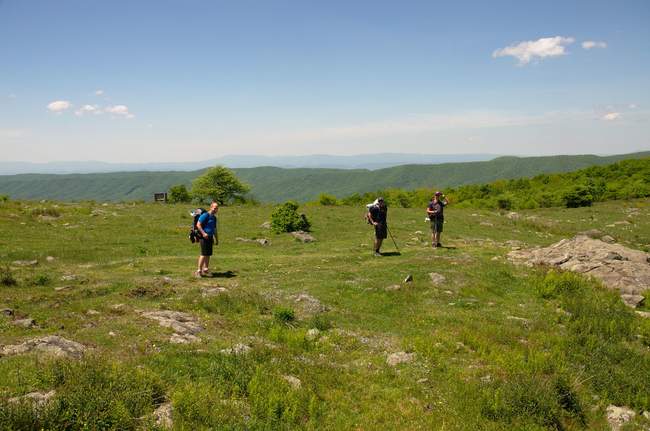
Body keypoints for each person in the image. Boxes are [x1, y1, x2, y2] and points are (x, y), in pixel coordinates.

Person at [195, 201, 219, 276]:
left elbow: (214, 229)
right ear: (211, 207)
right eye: (215, 208)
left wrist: (217, 239)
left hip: (210, 237)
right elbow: (198, 225)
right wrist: (203, 233)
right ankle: (198, 271)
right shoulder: (205, 215)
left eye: (217, 208)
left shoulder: (214, 218)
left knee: (208, 254)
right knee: (203, 254)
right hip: (204, 237)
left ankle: (205, 269)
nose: (216, 209)